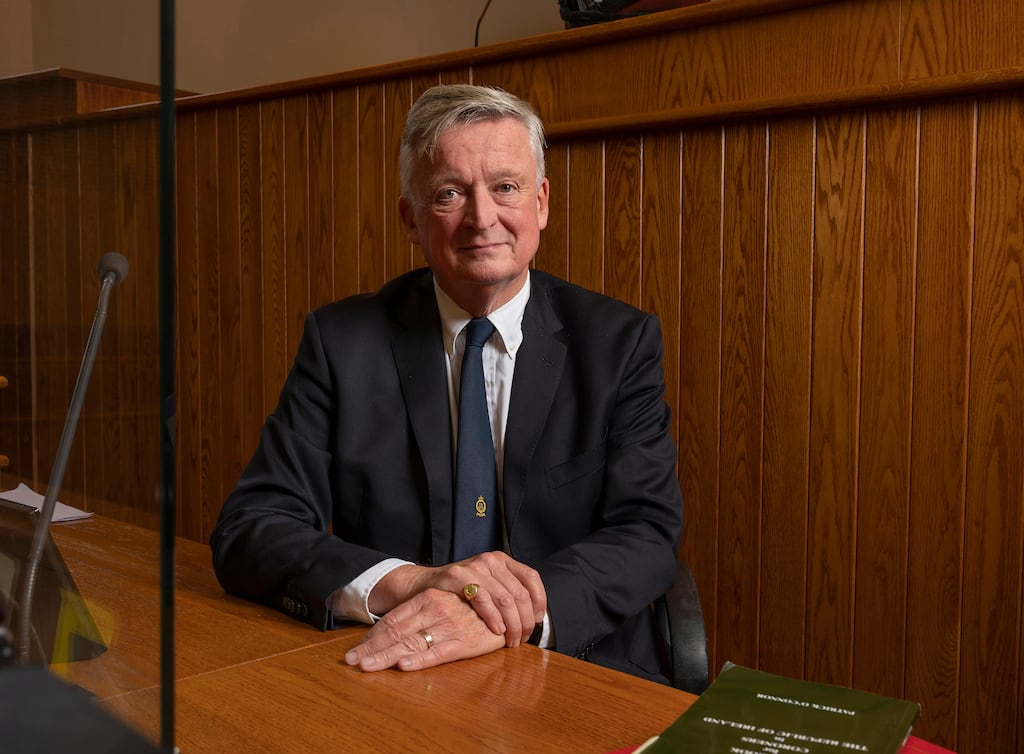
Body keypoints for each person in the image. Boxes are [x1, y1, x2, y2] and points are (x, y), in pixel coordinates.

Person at [210, 83, 683, 683]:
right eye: (450, 193)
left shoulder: (619, 343)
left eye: (505, 187)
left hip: (572, 663)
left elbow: (646, 532)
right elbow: (251, 527)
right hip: (400, 666)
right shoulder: (341, 343)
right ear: (411, 219)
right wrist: (412, 583)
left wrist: (506, 613)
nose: (482, 217)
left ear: (540, 203)